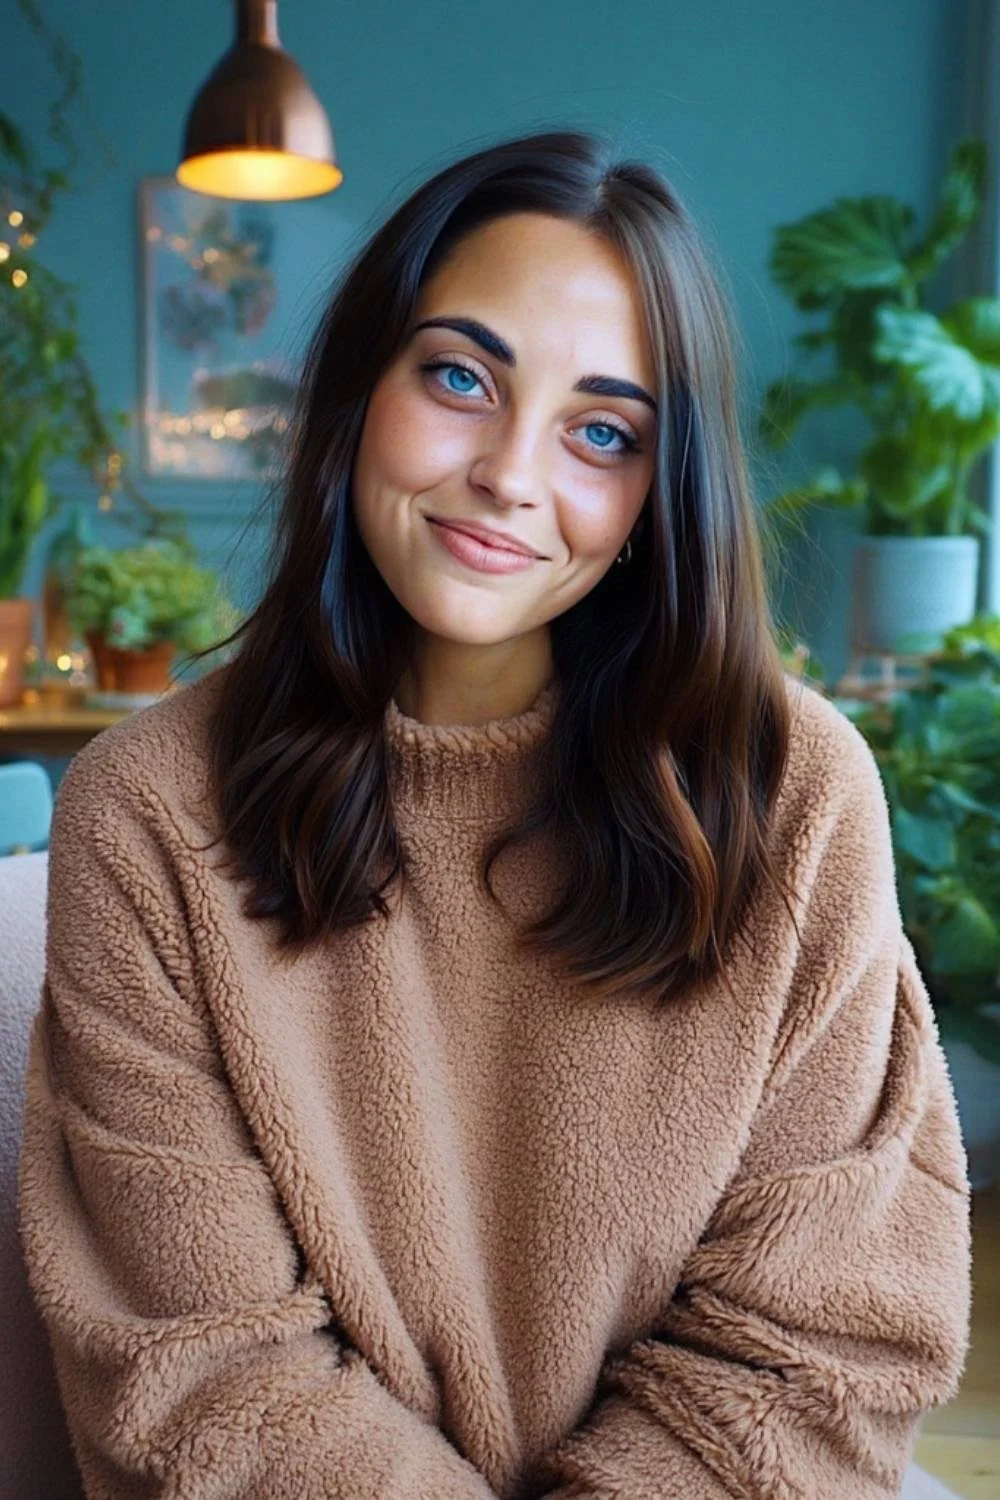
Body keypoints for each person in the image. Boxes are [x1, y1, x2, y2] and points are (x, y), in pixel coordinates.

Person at [18, 128, 971, 1499]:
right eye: (460, 376)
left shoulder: (793, 794)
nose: (512, 474)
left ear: (657, 493)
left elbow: (814, 1347)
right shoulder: (148, 813)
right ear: (358, 390)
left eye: (602, 431)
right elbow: (205, 1373)